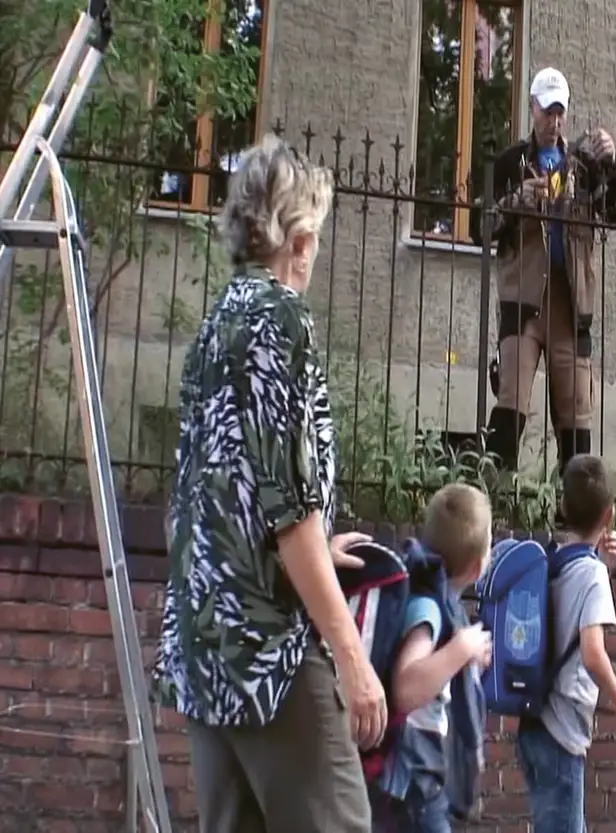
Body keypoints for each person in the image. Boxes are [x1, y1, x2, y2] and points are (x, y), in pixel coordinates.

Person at [151, 135, 384, 833]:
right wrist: (352, 657)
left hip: (203, 643)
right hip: (268, 657)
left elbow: (225, 489)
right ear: (300, 237)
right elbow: (286, 511)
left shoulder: (217, 324)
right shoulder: (282, 321)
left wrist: (312, 541)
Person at [477, 68, 616, 479]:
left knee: (576, 415)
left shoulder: (583, 166)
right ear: (532, 109)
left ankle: (573, 515)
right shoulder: (512, 160)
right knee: (511, 400)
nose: (555, 120)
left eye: (560, 111)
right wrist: (516, 201)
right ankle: (493, 500)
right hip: (524, 301)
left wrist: (613, 166)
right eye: (547, 111)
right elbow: (484, 228)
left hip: (570, 302)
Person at [369, 483, 495, 833]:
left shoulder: (442, 603)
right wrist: (462, 650)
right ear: (477, 566)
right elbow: (407, 687)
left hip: (414, 784)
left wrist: (466, 658)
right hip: (413, 788)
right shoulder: (427, 605)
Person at [517, 454, 616, 833]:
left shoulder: (552, 559)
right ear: (609, 514)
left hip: (533, 724)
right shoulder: (592, 574)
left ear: (562, 506)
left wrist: (604, 567)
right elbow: (593, 653)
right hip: (562, 731)